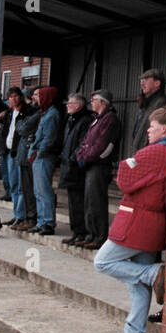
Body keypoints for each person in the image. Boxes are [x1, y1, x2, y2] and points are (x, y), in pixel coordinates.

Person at [94, 106, 166, 333]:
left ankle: (155, 274)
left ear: (165, 128)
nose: (148, 129)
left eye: (153, 125)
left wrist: (128, 162)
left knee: (103, 261)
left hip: (136, 223)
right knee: (137, 285)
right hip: (153, 225)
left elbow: (125, 177)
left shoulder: (157, 151)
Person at [74, 89, 119, 250]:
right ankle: (90, 234)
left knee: (97, 202)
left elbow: (101, 145)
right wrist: (81, 155)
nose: (91, 102)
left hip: (99, 166)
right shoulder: (96, 120)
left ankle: (99, 236)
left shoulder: (110, 120)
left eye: (94, 100)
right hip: (90, 165)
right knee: (89, 202)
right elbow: (86, 141)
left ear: (103, 102)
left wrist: (86, 158)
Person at [25, 86, 63, 235]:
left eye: (39, 96)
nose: (35, 99)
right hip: (39, 156)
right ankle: (41, 221)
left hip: (44, 157)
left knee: (44, 190)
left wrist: (38, 152)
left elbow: (49, 137)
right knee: (38, 191)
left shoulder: (52, 115)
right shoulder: (45, 113)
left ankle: (47, 222)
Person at [59, 93, 95, 247]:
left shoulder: (85, 120)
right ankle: (76, 232)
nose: (67, 105)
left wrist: (73, 159)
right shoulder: (71, 120)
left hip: (77, 168)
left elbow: (82, 143)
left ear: (79, 105)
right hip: (68, 166)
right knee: (73, 202)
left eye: (71, 103)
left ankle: (82, 232)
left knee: (79, 202)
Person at [1, 87, 32, 228]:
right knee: (12, 184)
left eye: (15, 96)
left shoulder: (27, 113)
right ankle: (16, 215)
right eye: (10, 97)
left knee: (20, 186)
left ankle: (21, 215)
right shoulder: (9, 113)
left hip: (19, 153)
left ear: (20, 97)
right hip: (8, 152)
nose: (12, 99)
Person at [129, 68, 166, 158]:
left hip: (147, 154)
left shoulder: (161, 103)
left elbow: (157, 133)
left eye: (146, 80)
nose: (142, 83)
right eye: (141, 80)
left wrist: (145, 152)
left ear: (157, 83)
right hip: (140, 153)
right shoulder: (146, 104)